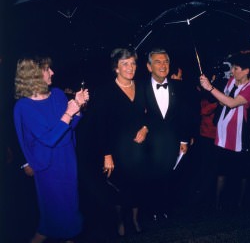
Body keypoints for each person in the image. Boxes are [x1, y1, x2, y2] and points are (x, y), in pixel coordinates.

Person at [13, 56, 89, 243]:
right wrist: (69, 112)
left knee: (70, 213)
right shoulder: (24, 107)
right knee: (53, 219)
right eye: (48, 69)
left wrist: (79, 107)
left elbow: (68, 127)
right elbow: (49, 138)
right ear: (34, 75)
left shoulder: (57, 94)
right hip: (48, 167)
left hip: (67, 160)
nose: (52, 72)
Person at [93, 47, 148, 237]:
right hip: (116, 150)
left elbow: (151, 115)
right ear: (116, 68)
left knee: (139, 185)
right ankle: (120, 221)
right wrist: (107, 155)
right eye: (125, 63)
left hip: (139, 148)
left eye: (133, 63)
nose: (130, 67)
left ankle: (134, 218)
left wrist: (145, 128)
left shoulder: (142, 87)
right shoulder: (105, 92)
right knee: (119, 189)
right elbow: (101, 126)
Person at [200, 51, 250, 210]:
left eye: (236, 68)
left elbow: (233, 103)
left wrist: (211, 88)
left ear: (247, 70)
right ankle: (217, 203)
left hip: (242, 137)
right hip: (223, 135)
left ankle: (239, 204)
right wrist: (211, 89)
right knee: (222, 170)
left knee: (242, 172)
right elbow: (223, 102)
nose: (232, 71)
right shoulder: (230, 82)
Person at [143, 48, 191, 221]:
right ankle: (151, 210)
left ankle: (164, 208)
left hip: (172, 140)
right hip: (149, 142)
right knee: (150, 176)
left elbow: (185, 115)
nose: (163, 65)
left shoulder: (179, 87)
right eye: (158, 61)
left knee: (168, 175)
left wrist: (184, 140)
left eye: (165, 61)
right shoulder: (140, 87)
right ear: (149, 67)